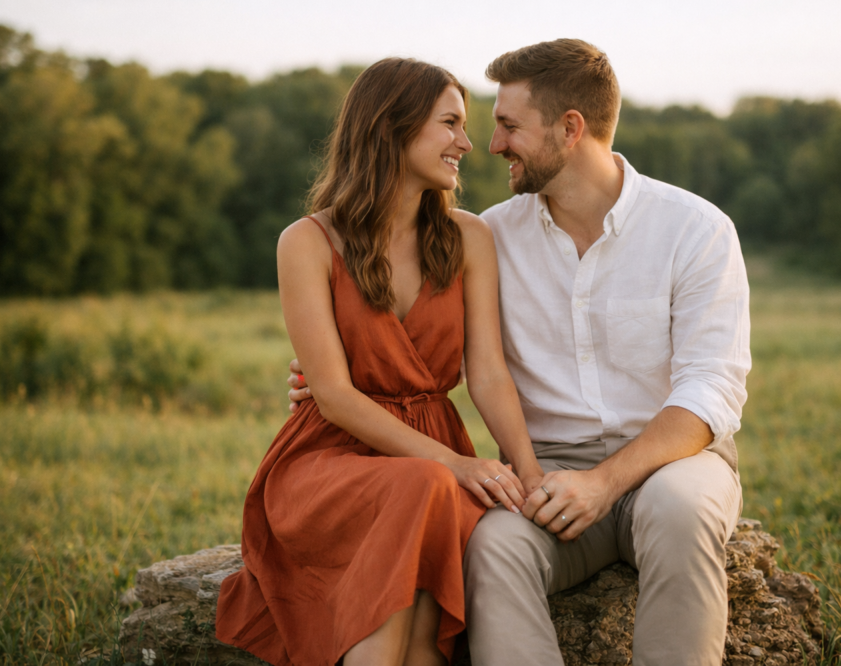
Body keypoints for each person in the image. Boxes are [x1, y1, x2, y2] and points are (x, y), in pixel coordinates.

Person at [289, 39, 751, 666]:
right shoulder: (490, 234)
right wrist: (331, 374)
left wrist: (603, 483)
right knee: (493, 546)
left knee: (679, 510)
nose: (492, 143)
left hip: (670, 464)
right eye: (479, 125)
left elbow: (709, 392)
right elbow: (406, 336)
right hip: (547, 469)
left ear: (570, 128)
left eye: (508, 126)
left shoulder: (695, 230)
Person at [216, 57, 543, 666]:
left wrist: (525, 473)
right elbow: (333, 395)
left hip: (432, 461)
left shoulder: (469, 236)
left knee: (424, 637)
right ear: (392, 126)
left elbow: (489, 373)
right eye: (450, 124)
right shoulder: (307, 241)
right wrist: (453, 466)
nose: (466, 144)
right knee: (424, 489)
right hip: (331, 460)